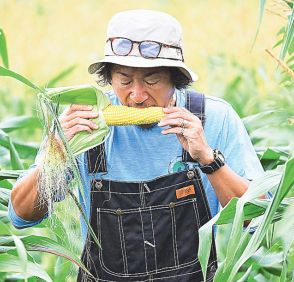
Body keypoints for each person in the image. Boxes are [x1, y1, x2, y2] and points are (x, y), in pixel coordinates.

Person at [9, 9, 264, 281]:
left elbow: (257, 219)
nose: (137, 95)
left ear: (176, 79)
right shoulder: (83, 124)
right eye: (124, 80)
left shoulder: (214, 119)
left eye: (152, 80)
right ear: (109, 77)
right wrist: (57, 153)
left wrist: (208, 159)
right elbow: (21, 215)